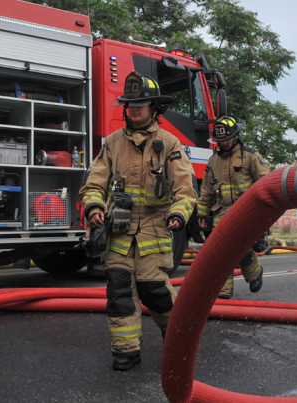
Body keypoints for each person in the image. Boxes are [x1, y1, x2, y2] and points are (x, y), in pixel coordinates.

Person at [79, 71, 197, 371]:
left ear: (154, 107)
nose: (134, 108)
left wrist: (178, 215)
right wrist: (94, 207)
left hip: (154, 232)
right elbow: (94, 183)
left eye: (141, 103)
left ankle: (178, 340)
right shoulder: (112, 143)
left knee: (155, 291)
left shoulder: (170, 144)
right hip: (118, 234)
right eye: (130, 103)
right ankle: (126, 351)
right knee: (119, 294)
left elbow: (185, 191)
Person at [197, 116, 271, 299]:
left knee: (241, 249)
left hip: (247, 211)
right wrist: (201, 214)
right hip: (221, 213)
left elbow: (266, 183)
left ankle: (254, 274)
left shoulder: (251, 156)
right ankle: (223, 292)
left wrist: (265, 216)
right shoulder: (213, 161)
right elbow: (206, 190)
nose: (225, 144)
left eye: (227, 139)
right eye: (221, 141)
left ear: (236, 136)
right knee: (220, 252)